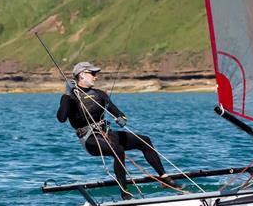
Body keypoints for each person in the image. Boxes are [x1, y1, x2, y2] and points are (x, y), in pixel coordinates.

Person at [56, 61, 177, 199]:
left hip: (107, 134)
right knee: (117, 149)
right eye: (93, 73)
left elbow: (117, 111)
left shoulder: (100, 95)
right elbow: (61, 118)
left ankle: (165, 178)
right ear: (82, 75)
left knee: (145, 141)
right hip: (90, 139)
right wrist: (66, 93)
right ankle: (125, 193)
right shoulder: (70, 97)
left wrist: (121, 118)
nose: (96, 77)